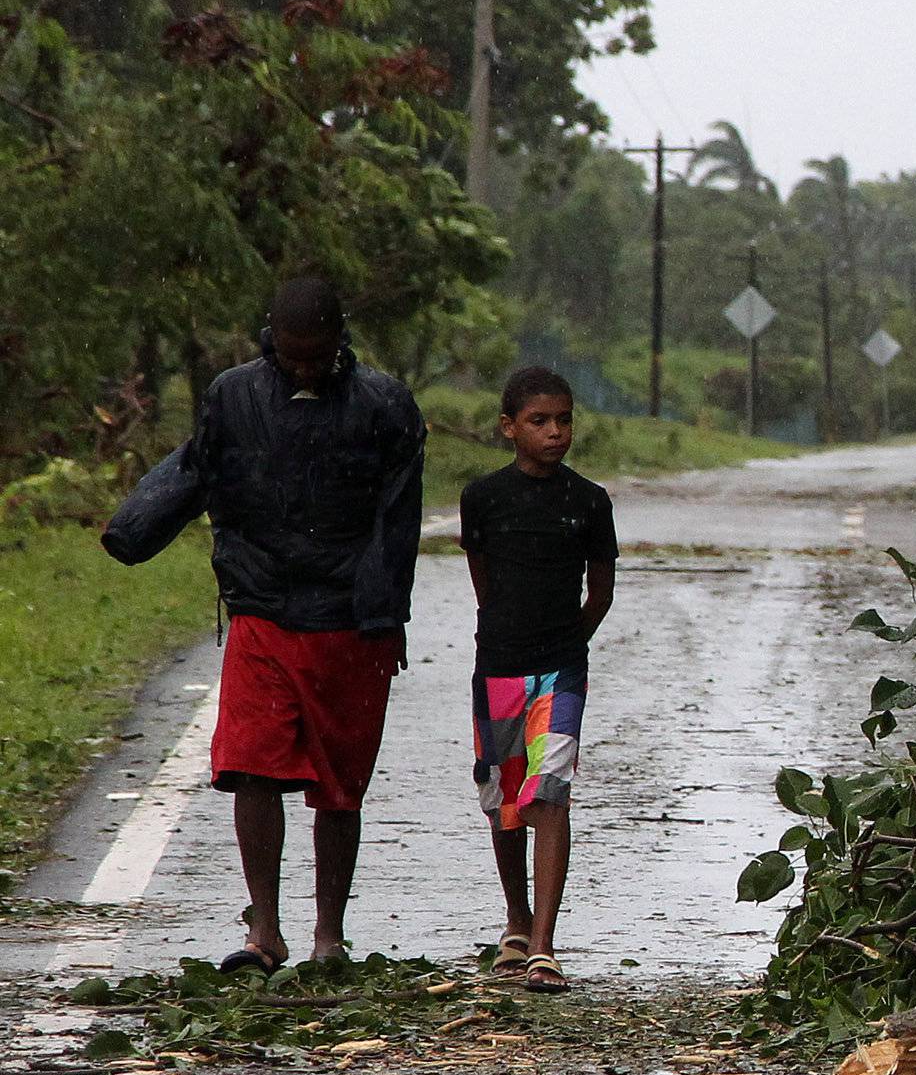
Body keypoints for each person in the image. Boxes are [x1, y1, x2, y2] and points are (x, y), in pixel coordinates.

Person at [103, 275, 425, 974]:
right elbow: (197, 471)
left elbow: (397, 523)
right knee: (252, 767)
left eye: (318, 355)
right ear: (269, 339)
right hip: (261, 613)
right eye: (292, 354)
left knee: (340, 786)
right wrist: (134, 527)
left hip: (349, 623)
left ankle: (328, 937)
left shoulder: (387, 406)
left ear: (342, 342)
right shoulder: (233, 396)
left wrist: (386, 616)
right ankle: (265, 932)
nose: (304, 367)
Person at [460, 367, 617, 993]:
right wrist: (510, 635)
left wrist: (566, 642)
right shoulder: (484, 497)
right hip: (498, 663)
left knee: (550, 791)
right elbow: (484, 581)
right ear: (509, 428)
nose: (555, 433)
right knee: (504, 797)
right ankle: (516, 922)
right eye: (539, 421)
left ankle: (544, 945)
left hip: (561, 667)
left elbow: (599, 592)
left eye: (564, 420)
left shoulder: (589, 501)